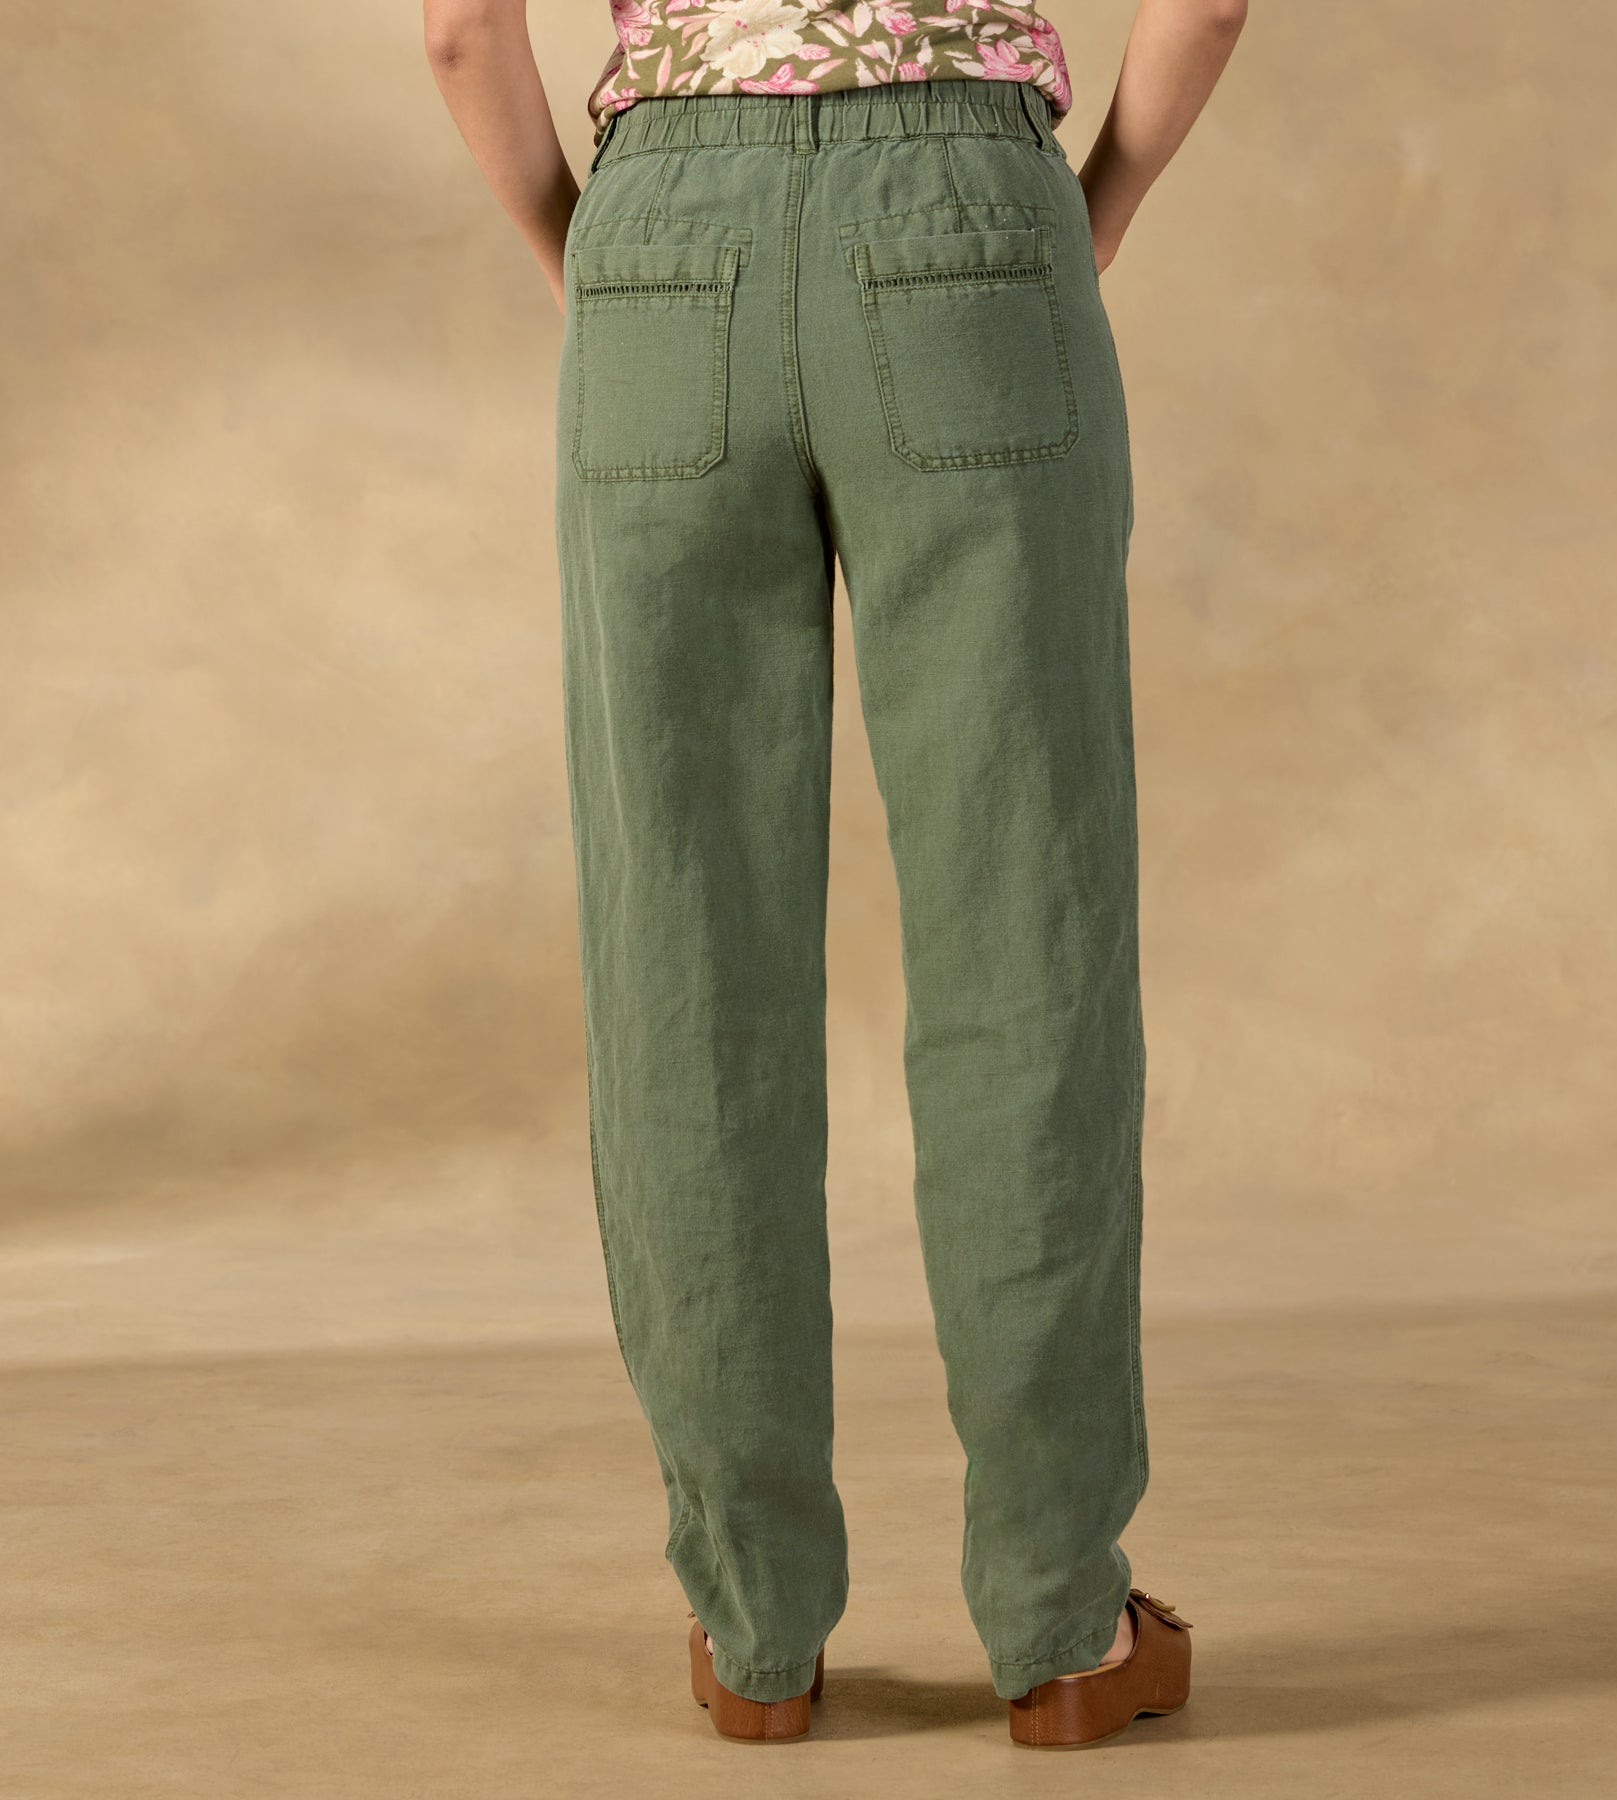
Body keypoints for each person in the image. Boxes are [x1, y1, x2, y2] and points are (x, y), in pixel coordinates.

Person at [425, 0, 1247, 1749]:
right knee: (1025, 936)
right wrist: (1094, 201)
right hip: (969, 219)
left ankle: (757, 1634)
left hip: (662, 236)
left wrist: (600, 251)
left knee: (683, 957)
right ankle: (1062, 1623)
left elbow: (457, 31)